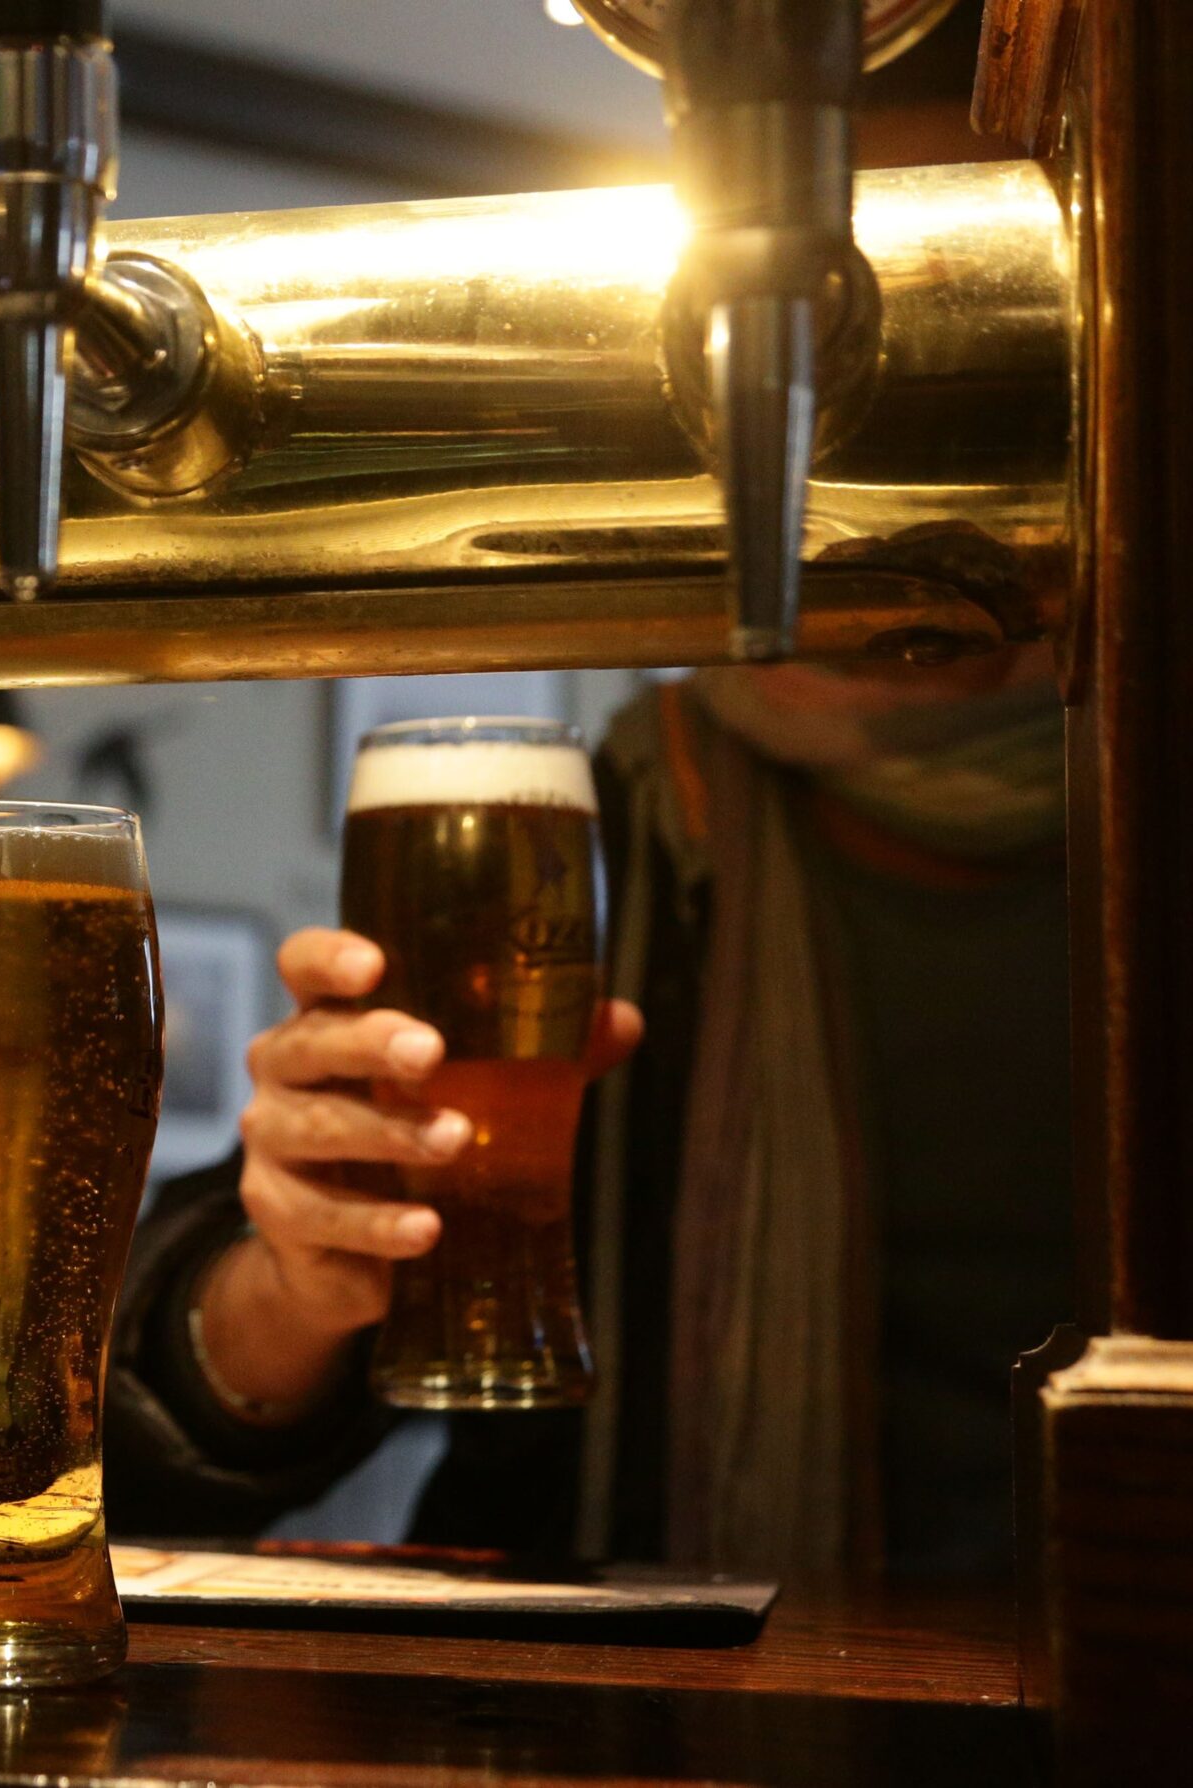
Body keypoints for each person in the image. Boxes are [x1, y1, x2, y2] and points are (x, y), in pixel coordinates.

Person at [107, 4, 1070, 1581]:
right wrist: (294, 1278)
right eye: (800, 351)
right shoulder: (618, 820)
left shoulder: (1135, 822)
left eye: (942, 352)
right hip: (662, 1684)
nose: (851, 440)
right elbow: (152, 1450)